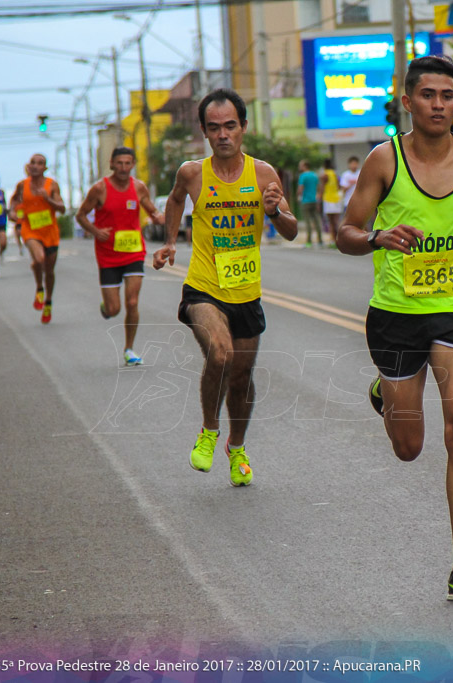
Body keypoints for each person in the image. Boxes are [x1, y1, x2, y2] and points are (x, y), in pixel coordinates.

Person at [335, 55, 453, 603]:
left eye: (447, 96)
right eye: (428, 95)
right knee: (408, 447)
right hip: (396, 316)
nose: (438, 104)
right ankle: (386, 393)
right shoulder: (382, 162)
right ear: (407, 102)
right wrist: (376, 238)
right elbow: (346, 232)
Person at [152, 88, 298, 486]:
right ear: (204, 131)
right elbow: (176, 199)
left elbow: (290, 230)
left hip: (246, 292)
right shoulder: (192, 172)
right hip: (203, 286)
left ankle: (237, 447)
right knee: (220, 353)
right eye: (214, 128)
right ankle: (208, 430)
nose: (223, 135)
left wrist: (274, 211)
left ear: (243, 127)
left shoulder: (264, 174)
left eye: (230, 126)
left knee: (241, 377)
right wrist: (169, 241)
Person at [76, 147, 164, 366]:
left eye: (128, 163)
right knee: (114, 309)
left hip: (134, 251)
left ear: (133, 164)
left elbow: (152, 211)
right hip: (108, 255)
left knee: (132, 301)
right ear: (112, 164)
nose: (124, 168)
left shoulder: (139, 187)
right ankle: (106, 308)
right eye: (120, 163)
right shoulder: (99, 189)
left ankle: (129, 349)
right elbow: (81, 215)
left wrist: (159, 217)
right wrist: (95, 231)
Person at [9, 154, 65, 324]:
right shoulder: (22, 185)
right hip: (30, 229)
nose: (35, 166)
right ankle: (39, 288)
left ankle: (48, 300)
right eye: (33, 162)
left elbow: (62, 208)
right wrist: (12, 213)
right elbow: (12, 203)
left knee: (49, 270)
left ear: (45, 168)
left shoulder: (51, 185)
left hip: (50, 232)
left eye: (40, 163)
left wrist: (47, 199)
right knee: (39, 258)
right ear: (28, 166)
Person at [296, 159, 321, 246]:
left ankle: (309, 241)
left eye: (301, 165)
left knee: (308, 222)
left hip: (305, 201)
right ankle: (320, 240)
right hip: (314, 200)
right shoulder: (314, 175)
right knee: (317, 220)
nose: (299, 167)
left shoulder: (303, 176)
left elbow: (300, 188)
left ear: (305, 166)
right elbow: (318, 188)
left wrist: (298, 196)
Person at [318, 158, 342, 243]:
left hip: (328, 198)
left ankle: (333, 239)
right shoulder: (335, 174)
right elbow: (339, 186)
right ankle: (340, 239)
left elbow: (322, 187)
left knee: (331, 221)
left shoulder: (324, 175)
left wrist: (319, 197)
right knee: (337, 220)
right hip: (337, 198)